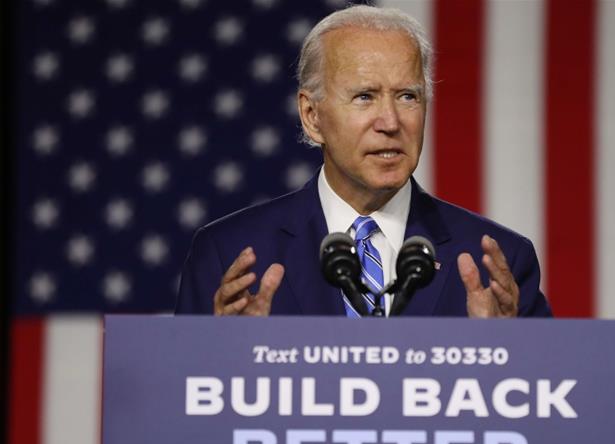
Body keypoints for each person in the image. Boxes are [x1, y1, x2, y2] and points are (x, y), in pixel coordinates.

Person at [175, 5, 551, 318]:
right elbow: (183, 395)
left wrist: (505, 351)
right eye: (365, 97)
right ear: (311, 115)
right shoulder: (230, 255)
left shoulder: (498, 264)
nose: (390, 122)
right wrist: (225, 353)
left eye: (407, 96)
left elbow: (548, 394)